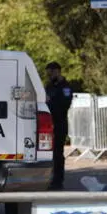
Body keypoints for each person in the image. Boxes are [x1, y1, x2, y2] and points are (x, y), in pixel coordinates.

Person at [45, 61, 73, 190]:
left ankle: (58, 180)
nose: (49, 77)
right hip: (49, 124)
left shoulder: (65, 87)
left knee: (57, 153)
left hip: (59, 124)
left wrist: (51, 103)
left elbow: (64, 105)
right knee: (49, 154)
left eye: (51, 74)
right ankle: (49, 179)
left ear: (57, 71)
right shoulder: (49, 86)